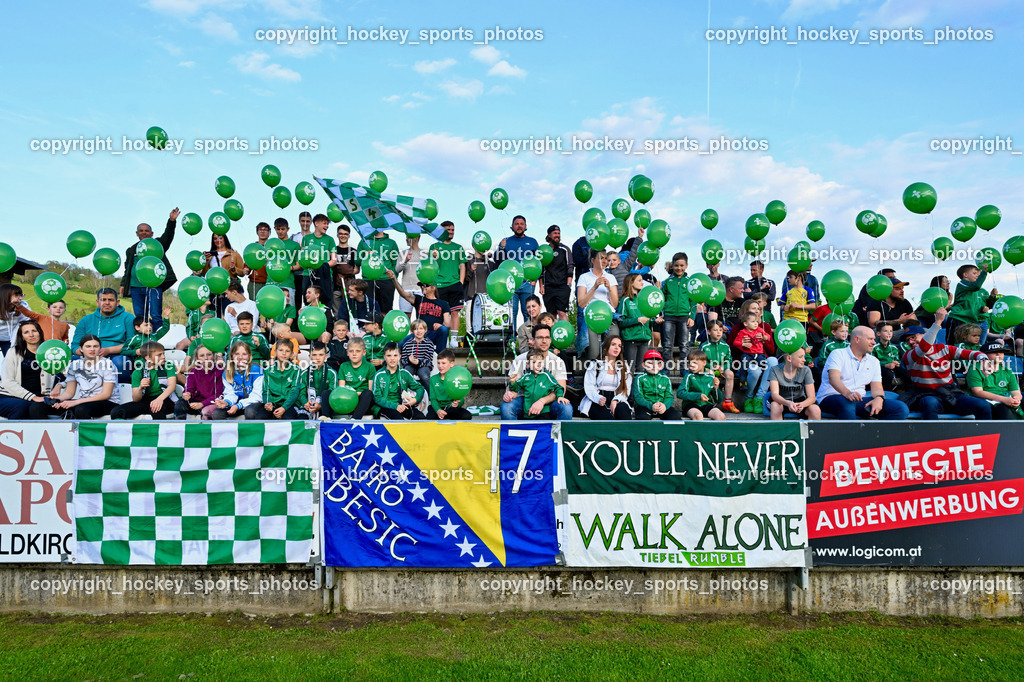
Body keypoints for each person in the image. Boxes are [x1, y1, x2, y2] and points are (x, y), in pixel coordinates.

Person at [900, 308, 991, 420]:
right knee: (929, 403)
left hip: (950, 393)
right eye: (907, 340)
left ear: (924, 335)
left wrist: (984, 359)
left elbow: (970, 354)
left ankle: (983, 437)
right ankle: (934, 437)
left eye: (913, 337)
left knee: (983, 405)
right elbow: (924, 347)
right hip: (927, 394)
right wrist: (938, 322)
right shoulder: (908, 355)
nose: (910, 342)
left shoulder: (943, 348)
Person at [817, 326, 909, 420]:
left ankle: (877, 434)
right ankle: (852, 434)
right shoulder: (837, 354)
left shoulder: (874, 361)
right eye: (870, 339)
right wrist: (848, 393)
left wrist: (879, 398)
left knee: (900, 408)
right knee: (846, 402)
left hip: (858, 400)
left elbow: (877, 387)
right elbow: (834, 379)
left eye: (874, 339)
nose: (874, 342)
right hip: (831, 397)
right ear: (857, 339)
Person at [27, 335, 118, 420]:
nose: (92, 349)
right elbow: (69, 392)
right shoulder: (75, 365)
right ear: (81, 349)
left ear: (100, 348)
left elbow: (106, 394)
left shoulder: (107, 364)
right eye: (88, 346)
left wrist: (76, 402)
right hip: (83, 402)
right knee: (36, 407)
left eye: (95, 346)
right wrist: (58, 400)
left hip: (107, 402)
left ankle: (83, 436)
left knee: (81, 409)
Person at [120, 207, 179, 332]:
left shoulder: (157, 244)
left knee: (156, 315)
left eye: (147, 231)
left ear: (152, 234)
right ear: (137, 233)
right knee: (140, 317)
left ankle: (157, 342)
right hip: (136, 286)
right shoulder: (131, 250)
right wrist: (123, 284)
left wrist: (171, 221)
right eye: (141, 231)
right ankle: (143, 342)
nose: (144, 232)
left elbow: (168, 236)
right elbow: (127, 268)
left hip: (154, 285)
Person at [502, 324, 573, 421]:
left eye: (547, 337)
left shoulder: (558, 361)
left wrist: (541, 401)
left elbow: (561, 389)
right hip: (524, 400)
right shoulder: (520, 360)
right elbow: (513, 386)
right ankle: (514, 435)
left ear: (551, 339)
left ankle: (558, 436)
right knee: (507, 408)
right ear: (533, 340)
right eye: (540, 337)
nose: (544, 341)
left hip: (548, 402)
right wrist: (509, 394)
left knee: (566, 409)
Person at [72, 288, 136, 378]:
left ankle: (121, 390)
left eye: (110, 300)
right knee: (72, 361)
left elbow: (132, 344)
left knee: (121, 363)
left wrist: (108, 350)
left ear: (117, 303)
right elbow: (74, 346)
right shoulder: (86, 320)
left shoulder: (127, 318)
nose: (107, 303)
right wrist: (90, 353)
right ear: (97, 302)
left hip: (117, 356)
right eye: (103, 300)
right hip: (88, 357)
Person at [0, 321, 58, 419]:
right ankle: (11, 434)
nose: (31, 334)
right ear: (22, 337)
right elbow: (7, 381)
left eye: (34, 331)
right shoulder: (14, 352)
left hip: (39, 397)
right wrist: (33, 397)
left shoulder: (51, 353)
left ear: (40, 332)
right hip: (9, 395)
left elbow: (67, 374)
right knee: (22, 407)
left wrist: (61, 385)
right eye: (26, 332)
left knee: (36, 408)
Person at [387, 269, 452, 353]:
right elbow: (402, 293)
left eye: (425, 285)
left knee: (444, 330)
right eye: (421, 285)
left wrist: (441, 325)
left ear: (433, 287)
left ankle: (441, 358)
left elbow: (448, 324)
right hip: (418, 333)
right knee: (400, 343)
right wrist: (394, 279)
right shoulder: (418, 299)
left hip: (434, 334)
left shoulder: (443, 303)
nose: (422, 287)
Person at [494, 215, 540, 329]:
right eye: (517, 224)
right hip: (510, 283)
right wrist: (501, 248)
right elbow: (497, 260)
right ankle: (512, 342)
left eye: (521, 224)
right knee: (511, 313)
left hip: (527, 283)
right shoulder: (506, 241)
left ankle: (530, 341)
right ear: (512, 226)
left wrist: (536, 280)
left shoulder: (532, 242)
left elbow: (539, 263)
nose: (519, 226)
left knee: (528, 313)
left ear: (525, 226)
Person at [111, 342, 177, 420]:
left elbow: (172, 386)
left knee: (156, 409)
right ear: (148, 358)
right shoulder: (138, 372)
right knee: (117, 411)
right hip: (146, 401)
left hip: (165, 399)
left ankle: (159, 432)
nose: (163, 357)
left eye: (163, 353)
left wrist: (159, 399)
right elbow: (136, 399)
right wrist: (140, 388)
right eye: (159, 355)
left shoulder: (168, 365)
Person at [432, 220, 469, 348]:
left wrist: (461, 282)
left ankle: (453, 339)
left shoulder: (458, 247)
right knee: (442, 314)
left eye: (452, 229)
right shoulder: (434, 246)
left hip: (455, 284)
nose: (451, 232)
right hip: (439, 285)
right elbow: (430, 267)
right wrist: (434, 257)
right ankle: (444, 339)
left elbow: (463, 266)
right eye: (448, 230)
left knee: (454, 313)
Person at [576, 249, 619, 361]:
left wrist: (609, 288)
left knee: (612, 349)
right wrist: (594, 287)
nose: (604, 261)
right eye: (601, 258)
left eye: (606, 258)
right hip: (591, 318)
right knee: (593, 353)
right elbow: (581, 303)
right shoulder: (584, 277)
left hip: (609, 316)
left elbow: (614, 304)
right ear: (593, 260)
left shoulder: (611, 277)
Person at [580, 336, 633, 420]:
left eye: (619, 346)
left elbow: (626, 389)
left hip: (617, 397)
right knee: (607, 420)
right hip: (597, 398)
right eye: (613, 344)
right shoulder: (595, 364)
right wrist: (598, 398)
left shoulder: (624, 366)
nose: (616, 348)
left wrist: (616, 400)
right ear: (606, 347)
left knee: (623, 413)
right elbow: (589, 386)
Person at [967, 341, 1023, 420]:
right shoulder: (976, 369)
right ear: (984, 355)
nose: (998, 355)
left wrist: (1016, 400)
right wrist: (1003, 399)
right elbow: (977, 392)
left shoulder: (1007, 370)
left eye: (1001, 352)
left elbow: (1015, 391)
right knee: (1004, 411)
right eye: (994, 352)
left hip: (1006, 398)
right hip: (988, 400)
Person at [617, 273, 660, 374]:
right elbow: (621, 322)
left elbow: (646, 318)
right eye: (639, 280)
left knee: (642, 370)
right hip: (631, 340)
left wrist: (655, 320)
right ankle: (628, 390)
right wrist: (637, 320)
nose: (642, 283)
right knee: (629, 370)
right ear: (631, 283)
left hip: (644, 340)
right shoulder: (625, 300)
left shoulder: (644, 300)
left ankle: (637, 390)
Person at [764, 347, 821, 420]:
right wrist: (788, 403)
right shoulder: (775, 370)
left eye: (804, 356)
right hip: (781, 401)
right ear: (789, 358)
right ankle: (778, 430)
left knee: (815, 409)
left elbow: (812, 397)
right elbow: (775, 395)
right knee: (775, 406)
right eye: (800, 357)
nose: (804, 360)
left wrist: (802, 405)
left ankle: (812, 431)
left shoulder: (806, 370)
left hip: (800, 401)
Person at [211, 342, 264, 420]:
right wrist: (226, 402)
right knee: (217, 413)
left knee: (250, 411)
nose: (240, 357)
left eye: (244, 354)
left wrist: (239, 405)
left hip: (254, 403)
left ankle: (250, 432)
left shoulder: (256, 370)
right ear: (232, 356)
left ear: (249, 356)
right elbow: (231, 393)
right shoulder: (227, 373)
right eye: (237, 354)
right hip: (237, 404)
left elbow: (258, 396)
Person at [507, 349, 564, 421]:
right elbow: (515, 388)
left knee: (543, 430)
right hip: (528, 412)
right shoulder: (526, 377)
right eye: (533, 362)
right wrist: (512, 382)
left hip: (543, 412)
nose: (537, 365)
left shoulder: (547, 376)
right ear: (528, 364)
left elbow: (558, 387)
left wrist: (560, 396)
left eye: (539, 362)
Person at [947, 263, 997, 346]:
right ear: (965, 275)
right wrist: (984, 271)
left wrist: (992, 297)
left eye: (978, 274)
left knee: (970, 346)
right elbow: (976, 286)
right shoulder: (962, 284)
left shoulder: (979, 291)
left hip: (971, 321)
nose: (977, 276)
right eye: (974, 273)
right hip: (958, 319)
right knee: (953, 344)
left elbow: (985, 305)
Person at [373, 342, 426, 420]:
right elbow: (377, 398)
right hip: (385, 406)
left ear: (400, 357)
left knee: (421, 417)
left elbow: (420, 388)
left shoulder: (404, 373)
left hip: (402, 405)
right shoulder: (379, 375)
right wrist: (395, 406)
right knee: (398, 420)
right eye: (389, 355)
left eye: (395, 355)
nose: (392, 358)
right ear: (384, 357)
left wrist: (415, 400)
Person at [660, 253, 693, 373]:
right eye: (676, 265)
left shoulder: (690, 282)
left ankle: (683, 368)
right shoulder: (667, 282)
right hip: (669, 316)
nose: (679, 268)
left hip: (684, 316)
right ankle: (667, 368)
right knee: (667, 344)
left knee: (684, 344)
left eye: (682, 265)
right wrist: (662, 311)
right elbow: (661, 299)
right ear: (673, 266)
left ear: (686, 266)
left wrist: (692, 317)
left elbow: (693, 301)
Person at [732, 312, 770, 411]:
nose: (756, 323)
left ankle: (759, 393)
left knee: (764, 366)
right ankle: (742, 381)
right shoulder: (742, 332)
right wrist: (743, 344)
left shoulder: (760, 330)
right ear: (745, 324)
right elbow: (735, 342)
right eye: (753, 322)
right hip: (747, 353)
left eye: (757, 321)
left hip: (759, 353)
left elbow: (768, 337)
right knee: (744, 365)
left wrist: (765, 337)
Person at [174, 345, 223, 420]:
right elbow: (189, 389)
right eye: (202, 356)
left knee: (207, 411)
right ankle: (180, 429)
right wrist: (187, 394)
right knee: (180, 404)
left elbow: (219, 394)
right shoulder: (194, 371)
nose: (206, 358)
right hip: (197, 402)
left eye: (209, 355)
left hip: (212, 403)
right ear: (197, 359)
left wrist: (202, 404)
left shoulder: (220, 371)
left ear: (213, 356)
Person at [702, 320, 740, 413]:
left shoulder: (725, 346)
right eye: (715, 330)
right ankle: (713, 399)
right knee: (710, 373)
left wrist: (724, 368)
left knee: (730, 373)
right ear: (709, 332)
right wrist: (711, 366)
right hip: (709, 369)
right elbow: (701, 361)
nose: (718, 332)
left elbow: (728, 359)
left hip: (722, 369)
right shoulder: (704, 346)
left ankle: (728, 402)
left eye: (720, 330)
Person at [359, 230, 401, 314]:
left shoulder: (391, 242)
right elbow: (357, 261)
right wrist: (365, 256)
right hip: (368, 280)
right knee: (368, 311)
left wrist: (391, 279)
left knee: (386, 311)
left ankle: (384, 327)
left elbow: (395, 263)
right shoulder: (364, 241)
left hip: (386, 281)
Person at [677, 349, 725, 421]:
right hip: (691, 405)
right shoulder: (689, 376)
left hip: (706, 405)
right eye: (690, 363)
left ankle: (714, 432)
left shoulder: (710, 377)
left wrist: (716, 389)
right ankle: (698, 432)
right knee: (698, 416)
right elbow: (680, 393)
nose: (691, 365)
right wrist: (698, 396)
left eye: (695, 363)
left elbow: (718, 400)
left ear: (704, 363)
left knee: (721, 416)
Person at [300, 213, 337, 305]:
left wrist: (321, 267)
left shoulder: (330, 239)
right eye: (324, 223)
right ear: (316, 223)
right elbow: (302, 257)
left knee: (325, 301)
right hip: (307, 274)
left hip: (325, 275)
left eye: (327, 224)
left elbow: (334, 260)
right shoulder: (306, 238)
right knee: (307, 301)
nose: (327, 226)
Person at [633, 349, 681, 420]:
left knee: (675, 416)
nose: (654, 366)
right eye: (650, 363)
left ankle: (667, 431)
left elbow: (669, 396)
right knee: (643, 417)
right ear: (643, 365)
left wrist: (665, 405)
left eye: (657, 363)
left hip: (661, 406)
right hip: (645, 406)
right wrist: (651, 406)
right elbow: (638, 397)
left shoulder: (665, 379)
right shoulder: (639, 378)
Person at [538, 225, 573, 321]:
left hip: (562, 286)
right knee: (551, 315)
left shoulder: (565, 249)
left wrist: (569, 284)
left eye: (559, 233)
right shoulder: (543, 250)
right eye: (555, 233)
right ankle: (552, 335)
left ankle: (566, 334)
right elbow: (539, 269)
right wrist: (541, 286)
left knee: (561, 312)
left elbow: (570, 266)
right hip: (548, 287)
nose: (557, 235)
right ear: (549, 235)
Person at [337, 337, 377, 419]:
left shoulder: (370, 367)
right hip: (347, 400)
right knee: (326, 393)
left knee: (368, 394)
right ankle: (326, 419)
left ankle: (355, 419)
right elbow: (342, 389)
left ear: (364, 352)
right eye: (351, 351)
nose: (354, 354)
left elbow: (370, 389)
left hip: (363, 401)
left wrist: (354, 394)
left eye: (358, 351)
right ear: (347, 352)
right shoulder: (343, 366)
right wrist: (351, 395)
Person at [298, 341, 338, 420]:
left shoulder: (332, 373)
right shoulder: (304, 373)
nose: (317, 358)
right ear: (310, 356)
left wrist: (320, 405)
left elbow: (333, 393)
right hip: (308, 406)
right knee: (301, 418)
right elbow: (301, 393)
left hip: (325, 407)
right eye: (314, 355)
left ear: (325, 356)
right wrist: (306, 403)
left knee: (326, 393)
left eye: (321, 355)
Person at [427, 349, 472, 420]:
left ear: (452, 364)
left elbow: (461, 398)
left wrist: (457, 404)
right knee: (429, 417)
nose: (440, 366)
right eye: (438, 363)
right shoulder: (433, 379)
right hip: (438, 407)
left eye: (443, 363)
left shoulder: (456, 378)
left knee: (466, 415)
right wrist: (438, 410)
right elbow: (433, 399)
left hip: (451, 408)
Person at [872, 322, 909, 392]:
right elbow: (871, 362)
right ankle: (887, 393)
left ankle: (907, 392)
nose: (889, 333)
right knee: (887, 374)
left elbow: (897, 359)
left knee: (906, 373)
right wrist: (885, 365)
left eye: (891, 331)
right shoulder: (874, 346)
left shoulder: (893, 347)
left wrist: (897, 363)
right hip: (880, 368)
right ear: (878, 333)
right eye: (885, 331)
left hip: (892, 367)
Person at [332, 223, 360, 314]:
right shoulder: (333, 250)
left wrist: (345, 271)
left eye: (345, 234)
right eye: (340, 233)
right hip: (335, 286)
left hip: (349, 287)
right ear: (337, 235)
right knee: (337, 313)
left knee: (349, 311)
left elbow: (357, 270)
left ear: (349, 236)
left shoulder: (353, 251)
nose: (343, 236)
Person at [401, 319, 435, 391]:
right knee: (405, 374)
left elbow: (428, 360)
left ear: (425, 330)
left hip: (424, 366)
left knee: (424, 376)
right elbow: (403, 360)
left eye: (421, 328)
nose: (418, 331)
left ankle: (431, 395)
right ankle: (402, 395)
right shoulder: (407, 344)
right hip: (410, 365)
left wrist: (418, 362)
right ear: (412, 331)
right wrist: (409, 360)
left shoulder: (429, 344)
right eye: (416, 329)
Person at [273, 217, 301, 303]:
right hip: (272, 282)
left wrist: (288, 268)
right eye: (278, 229)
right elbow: (266, 262)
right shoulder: (271, 244)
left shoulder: (294, 245)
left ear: (288, 229)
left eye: (283, 229)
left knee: (289, 310)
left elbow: (299, 265)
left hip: (288, 283)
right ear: (275, 229)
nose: (280, 231)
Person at [0, 284, 33, 356]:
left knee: (11, 359)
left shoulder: (22, 306)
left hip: (9, 340)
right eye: (16, 295)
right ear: (6, 295)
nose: (20, 298)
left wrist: (21, 308)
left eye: (21, 295)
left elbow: (28, 320)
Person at [396, 233, 423, 320]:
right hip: (406, 289)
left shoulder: (425, 254)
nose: (406, 239)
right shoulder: (402, 253)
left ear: (417, 238)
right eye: (406, 237)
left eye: (408, 237)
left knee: (421, 318)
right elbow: (397, 269)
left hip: (421, 290)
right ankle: (407, 334)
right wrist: (405, 260)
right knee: (405, 318)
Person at [241, 222, 271, 299]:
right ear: (257, 232)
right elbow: (248, 266)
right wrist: (246, 270)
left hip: (270, 282)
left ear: (269, 233)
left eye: (265, 230)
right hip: (255, 282)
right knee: (254, 307)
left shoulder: (272, 247)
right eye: (260, 229)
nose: (262, 231)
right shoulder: (253, 248)